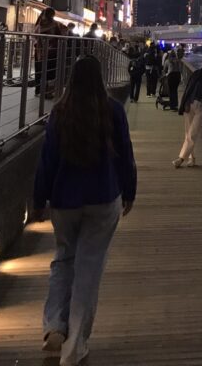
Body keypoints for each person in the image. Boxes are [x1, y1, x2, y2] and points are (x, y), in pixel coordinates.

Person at [34, 56, 136, 366]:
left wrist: (39, 199)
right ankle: (75, 345)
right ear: (101, 78)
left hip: (65, 200)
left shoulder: (60, 112)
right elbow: (125, 156)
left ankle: (54, 325)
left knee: (63, 259)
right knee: (89, 270)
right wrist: (129, 192)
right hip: (103, 198)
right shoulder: (113, 110)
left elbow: (47, 161)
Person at [173, 53, 202, 168]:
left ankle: (181, 158)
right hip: (191, 104)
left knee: (192, 134)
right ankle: (192, 158)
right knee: (188, 133)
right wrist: (186, 103)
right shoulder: (197, 74)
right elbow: (189, 88)